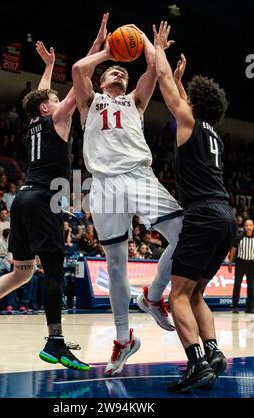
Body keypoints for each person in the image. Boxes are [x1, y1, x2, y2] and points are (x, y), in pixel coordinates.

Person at [0, 15, 110, 372]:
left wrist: (48, 67)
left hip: (22, 200)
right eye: (55, 100)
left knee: (23, 271)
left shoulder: (34, 123)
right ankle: (55, 341)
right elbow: (80, 77)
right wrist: (101, 46)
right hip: (42, 200)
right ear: (48, 107)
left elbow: (43, 96)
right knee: (53, 271)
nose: (62, 101)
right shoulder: (56, 119)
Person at [72, 22, 183, 376]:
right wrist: (111, 50)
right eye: (113, 71)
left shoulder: (136, 101)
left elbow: (152, 68)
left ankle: (152, 295)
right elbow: (77, 69)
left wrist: (151, 43)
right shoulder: (89, 101)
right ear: (102, 82)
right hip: (104, 184)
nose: (119, 72)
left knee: (185, 233)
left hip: (139, 175)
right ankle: (123, 338)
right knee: (116, 263)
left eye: (123, 69)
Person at [153, 21, 237, 392]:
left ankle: (197, 363)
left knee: (177, 296)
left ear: (193, 104)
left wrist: (159, 51)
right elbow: (181, 97)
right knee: (197, 292)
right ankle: (214, 352)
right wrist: (180, 78)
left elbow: (164, 84)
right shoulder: (210, 130)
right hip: (226, 216)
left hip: (202, 214)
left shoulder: (185, 121)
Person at [229, 219, 254, 313]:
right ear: (244, 227)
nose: (249, 227)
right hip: (240, 263)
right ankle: (235, 306)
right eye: (247, 225)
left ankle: (250, 307)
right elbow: (233, 250)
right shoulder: (239, 237)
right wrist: (230, 263)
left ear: (253, 226)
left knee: (251, 286)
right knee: (237, 284)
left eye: (250, 225)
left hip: (252, 264)